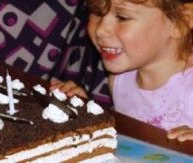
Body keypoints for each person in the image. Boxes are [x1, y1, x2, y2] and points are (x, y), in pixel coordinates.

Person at [50, 0, 193, 142]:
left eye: (123, 17)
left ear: (181, 21)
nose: (101, 30)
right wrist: (84, 109)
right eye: (97, 13)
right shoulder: (121, 80)